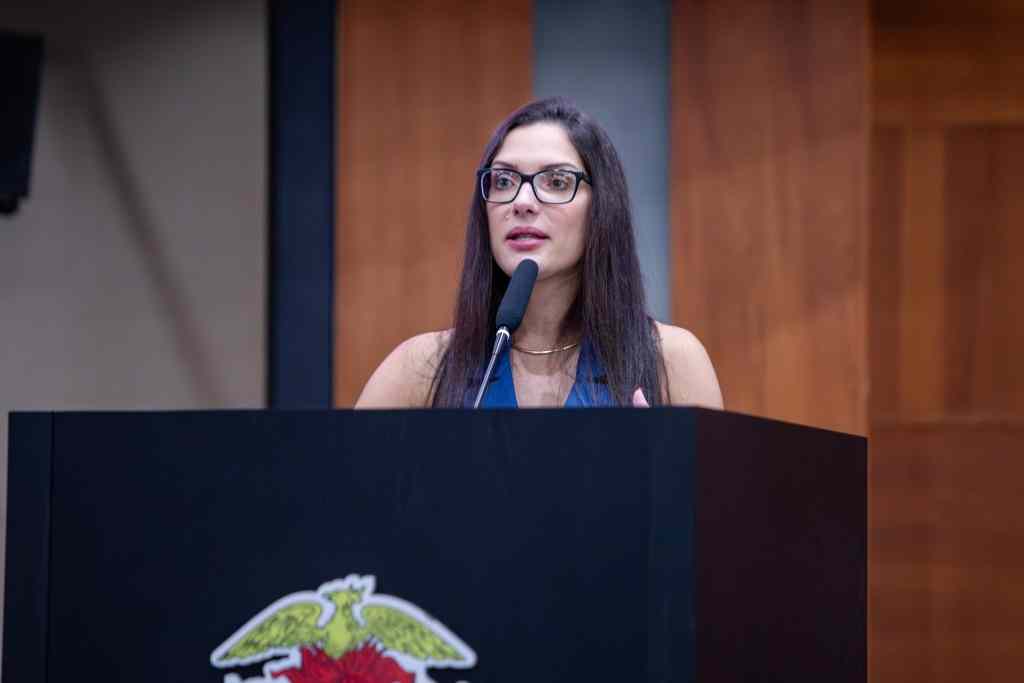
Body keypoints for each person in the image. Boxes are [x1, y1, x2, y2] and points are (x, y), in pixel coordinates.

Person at [356, 97, 722, 409]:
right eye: (503, 181)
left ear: (601, 208)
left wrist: (660, 460)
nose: (522, 201)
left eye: (557, 181)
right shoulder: (419, 370)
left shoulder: (670, 361)